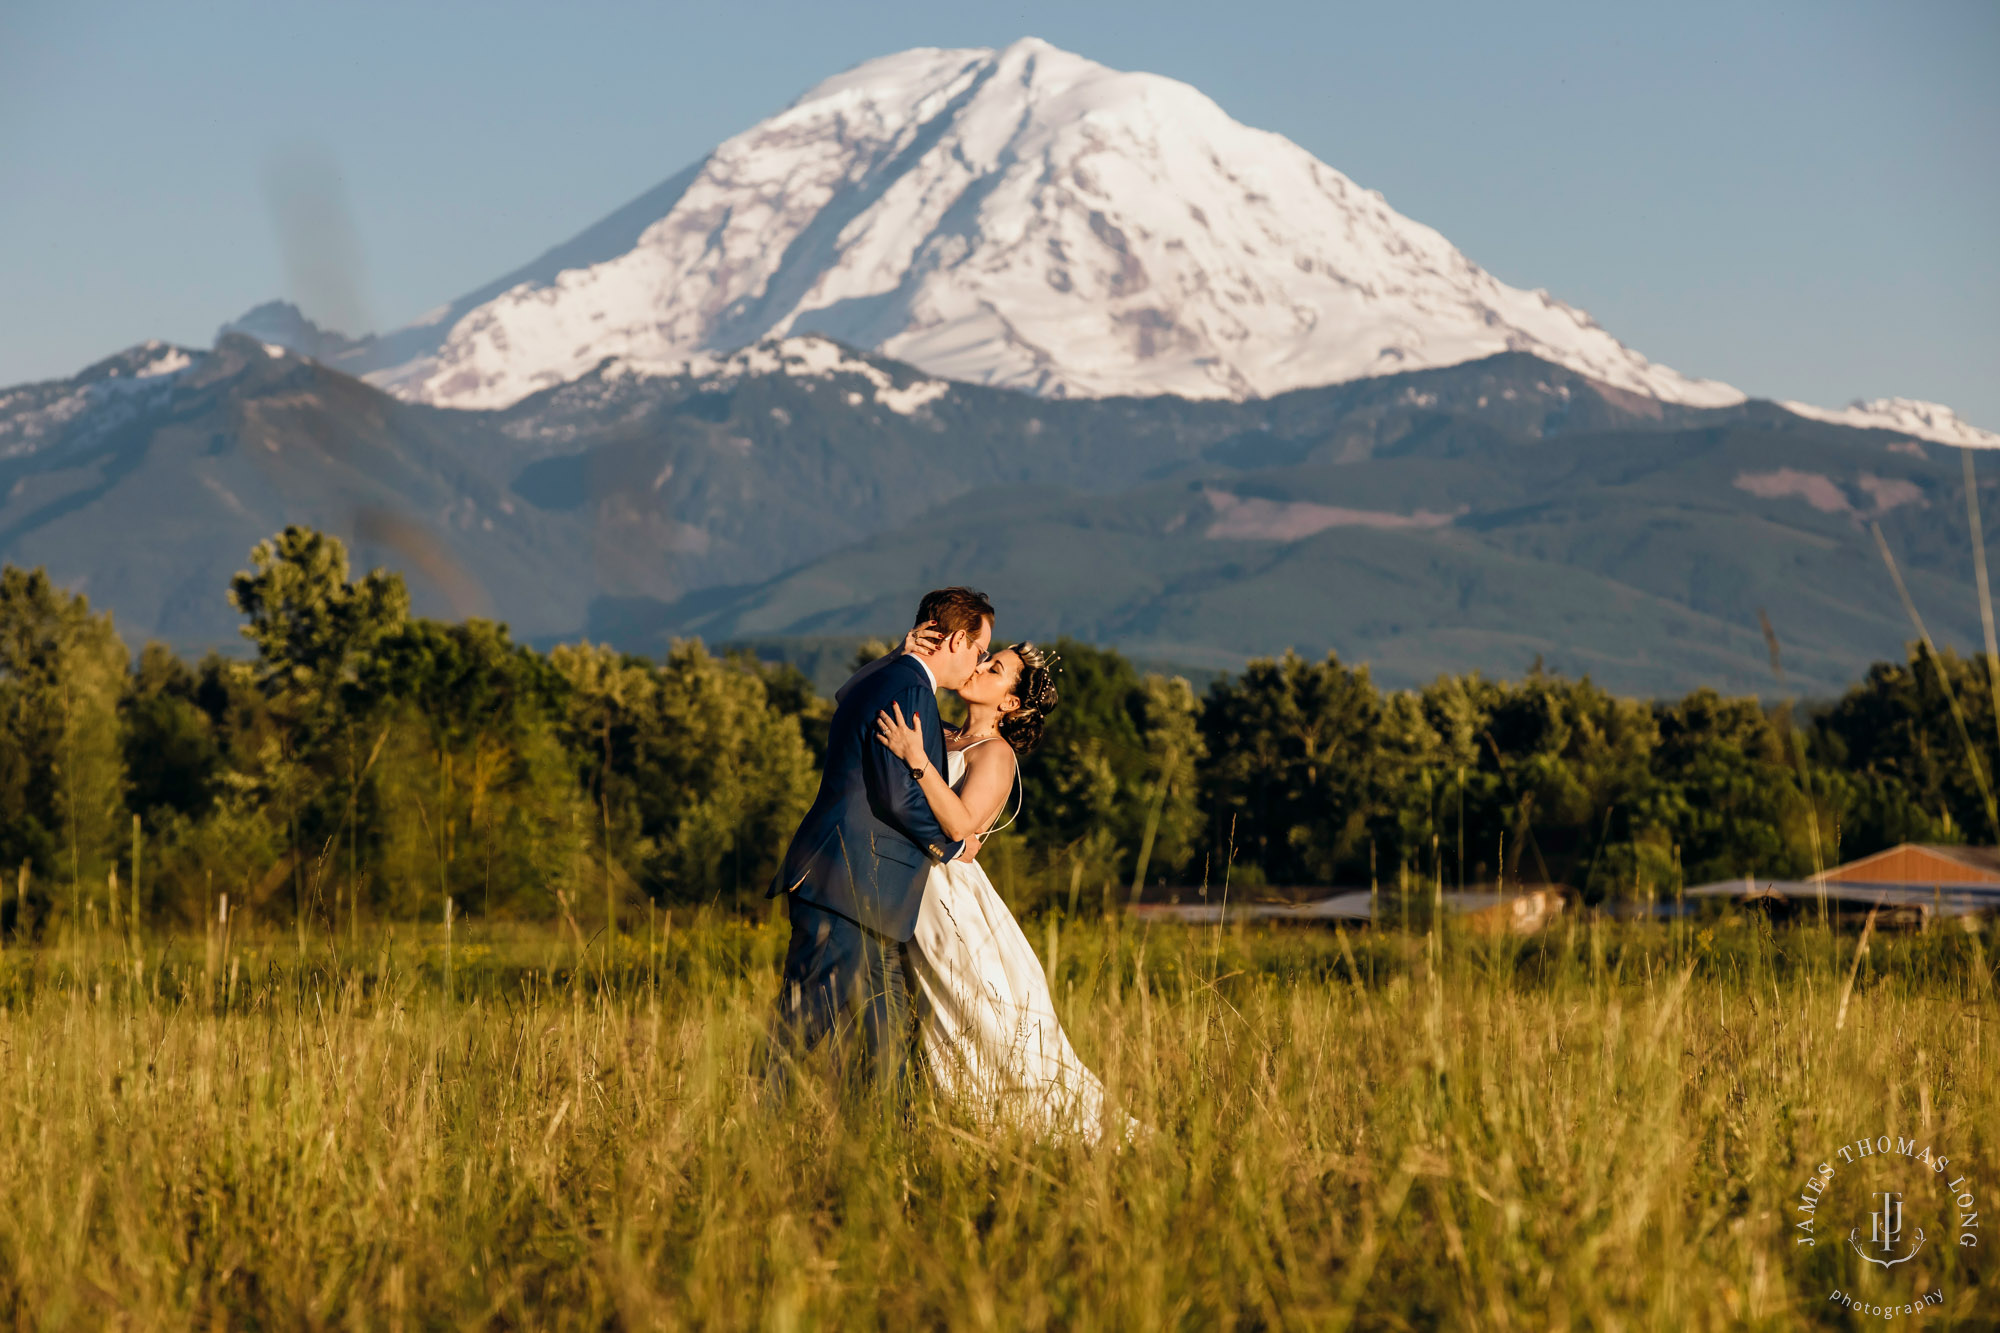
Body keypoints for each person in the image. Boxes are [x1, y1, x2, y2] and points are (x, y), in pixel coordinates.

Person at [874, 642, 1130, 1143]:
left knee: (978, 1020)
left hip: (949, 900)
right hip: (907, 891)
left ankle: (1031, 1131)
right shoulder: (939, 733)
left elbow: (960, 826)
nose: (979, 668)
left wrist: (916, 759)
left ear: (1009, 703)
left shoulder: (995, 753)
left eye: (994, 670)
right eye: (985, 659)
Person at [763, 588, 994, 1100]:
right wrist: (952, 847)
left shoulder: (897, 676)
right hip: (849, 883)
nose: (978, 664)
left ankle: (884, 1153)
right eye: (979, 651)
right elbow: (896, 794)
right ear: (956, 639)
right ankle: (747, 1130)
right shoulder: (911, 687)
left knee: (888, 1038)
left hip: (866, 893)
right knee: (801, 1024)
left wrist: (898, 653)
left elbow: (847, 699)